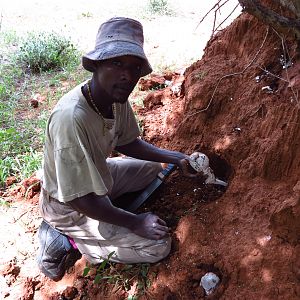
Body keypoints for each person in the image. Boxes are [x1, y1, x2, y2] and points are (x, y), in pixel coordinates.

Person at [37, 16, 196, 281]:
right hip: (69, 204)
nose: (128, 75)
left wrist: (176, 158)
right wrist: (135, 222)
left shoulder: (114, 97)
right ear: (97, 64)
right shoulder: (71, 119)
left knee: (153, 169)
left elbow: (127, 142)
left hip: (97, 177)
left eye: (135, 67)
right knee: (157, 245)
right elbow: (80, 199)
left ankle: (106, 214)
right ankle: (68, 240)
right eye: (117, 63)